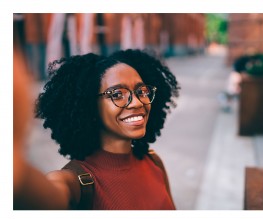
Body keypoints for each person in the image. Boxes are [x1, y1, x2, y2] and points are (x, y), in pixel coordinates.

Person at [15, 49, 180, 210]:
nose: (137, 102)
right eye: (117, 95)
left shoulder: (154, 162)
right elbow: (35, 194)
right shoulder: (74, 183)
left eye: (141, 91)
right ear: (90, 106)